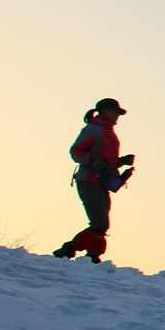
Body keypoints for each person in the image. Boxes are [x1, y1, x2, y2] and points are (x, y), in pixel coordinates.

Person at [53, 98, 135, 263]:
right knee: (100, 223)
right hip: (88, 181)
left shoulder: (110, 133)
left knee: (100, 222)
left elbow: (106, 163)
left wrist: (122, 161)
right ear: (104, 111)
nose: (117, 116)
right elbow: (75, 152)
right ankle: (92, 257)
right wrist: (93, 160)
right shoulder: (93, 129)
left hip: (101, 183)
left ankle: (68, 249)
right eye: (115, 112)